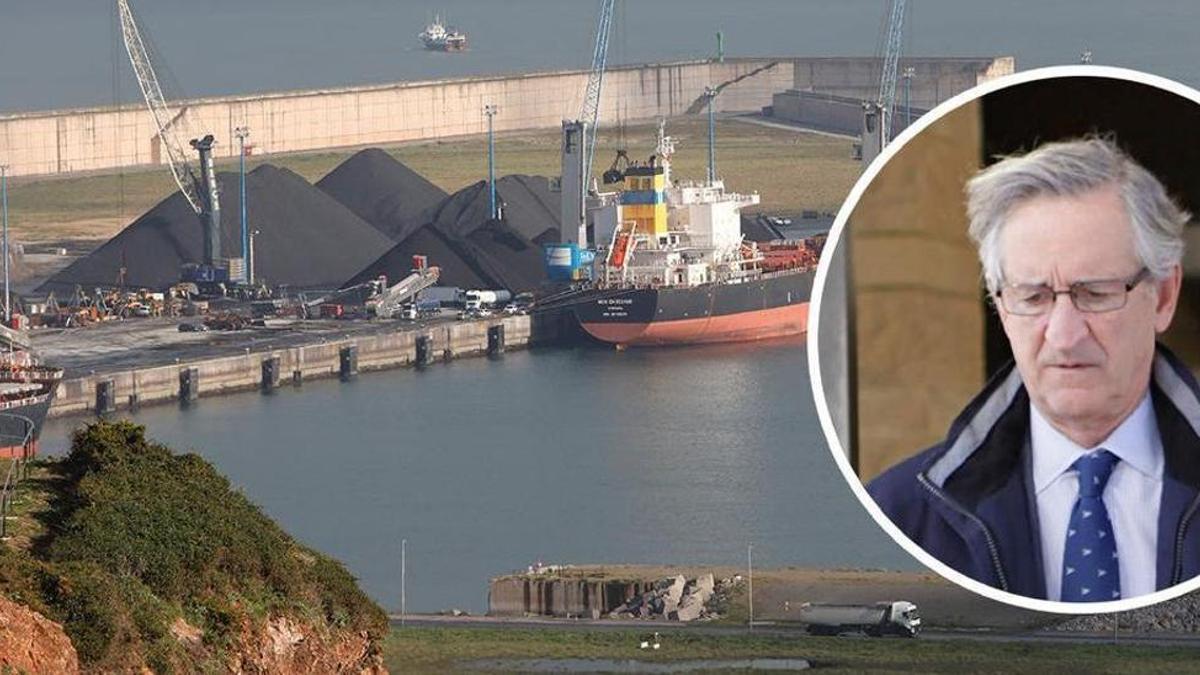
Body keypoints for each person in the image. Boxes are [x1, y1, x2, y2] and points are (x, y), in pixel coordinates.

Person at [867, 137, 1199, 602]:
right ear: (1001, 308)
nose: (1064, 334)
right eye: (1033, 297)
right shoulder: (899, 513)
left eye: (1097, 292)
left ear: (1163, 296)